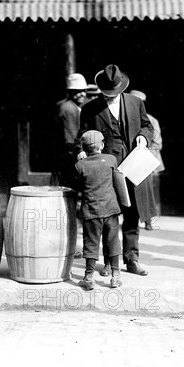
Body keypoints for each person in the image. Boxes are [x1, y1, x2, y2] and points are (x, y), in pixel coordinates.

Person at [75, 64, 157, 276]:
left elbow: (148, 127)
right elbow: (81, 137)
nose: (111, 97)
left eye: (115, 94)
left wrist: (143, 137)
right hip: (106, 169)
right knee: (107, 215)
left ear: (122, 88)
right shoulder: (90, 109)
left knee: (132, 213)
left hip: (133, 163)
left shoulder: (135, 102)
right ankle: (110, 262)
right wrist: (81, 151)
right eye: (107, 94)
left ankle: (132, 259)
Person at [75, 130, 123, 290]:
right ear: (102, 145)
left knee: (90, 243)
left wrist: (81, 159)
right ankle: (115, 276)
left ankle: (89, 277)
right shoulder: (111, 160)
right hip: (111, 208)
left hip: (91, 211)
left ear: (84, 148)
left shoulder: (80, 165)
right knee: (113, 241)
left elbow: (78, 186)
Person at [129, 89, 164, 231]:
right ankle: (134, 220)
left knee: (148, 193)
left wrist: (141, 155)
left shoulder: (151, 120)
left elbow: (157, 143)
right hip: (131, 163)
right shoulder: (127, 119)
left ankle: (149, 220)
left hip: (148, 163)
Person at [54, 73, 88, 188]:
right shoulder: (68, 108)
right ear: (70, 92)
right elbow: (71, 138)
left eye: (83, 90)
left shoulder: (77, 106)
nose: (82, 94)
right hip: (71, 156)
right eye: (77, 91)